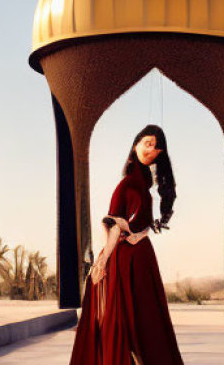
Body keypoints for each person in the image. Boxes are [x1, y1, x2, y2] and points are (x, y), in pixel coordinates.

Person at [69, 124, 183, 365]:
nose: (151, 150)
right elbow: (115, 226)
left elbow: (135, 225)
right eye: (147, 143)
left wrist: (140, 235)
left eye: (156, 147)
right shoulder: (129, 184)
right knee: (132, 320)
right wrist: (102, 261)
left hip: (138, 259)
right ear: (136, 144)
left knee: (140, 320)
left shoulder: (139, 186)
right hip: (126, 259)